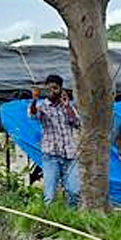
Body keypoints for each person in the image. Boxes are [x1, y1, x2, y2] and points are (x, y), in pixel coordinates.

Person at [28, 73, 81, 208]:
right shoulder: (42, 106)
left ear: (61, 89)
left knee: (74, 191)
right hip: (51, 156)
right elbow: (32, 114)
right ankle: (49, 222)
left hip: (70, 156)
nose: (52, 92)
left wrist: (68, 106)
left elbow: (77, 123)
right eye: (49, 89)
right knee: (50, 195)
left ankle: (71, 219)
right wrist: (34, 99)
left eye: (55, 88)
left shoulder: (68, 106)